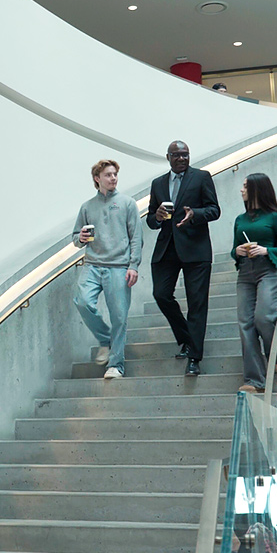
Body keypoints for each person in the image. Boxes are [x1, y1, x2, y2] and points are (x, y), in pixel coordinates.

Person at [146, 141, 220, 376]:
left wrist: (195, 214)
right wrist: (157, 217)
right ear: (168, 157)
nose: (182, 159)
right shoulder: (158, 183)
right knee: (160, 294)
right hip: (167, 249)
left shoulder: (201, 177)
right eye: (177, 155)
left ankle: (194, 357)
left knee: (197, 303)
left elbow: (214, 210)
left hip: (195, 249)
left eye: (185, 155)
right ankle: (186, 338)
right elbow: (150, 220)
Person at [72, 159, 142, 379]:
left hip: (119, 267)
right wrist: (80, 238)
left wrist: (134, 266)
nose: (113, 178)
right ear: (97, 179)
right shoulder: (86, 207)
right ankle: (106, 339)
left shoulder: (128, 203)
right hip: (92, 264)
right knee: (82, 302)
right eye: (108, 175)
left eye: (115, 174)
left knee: (119, 317)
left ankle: (116, 365)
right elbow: (75, 238)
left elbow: (136, 238)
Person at [231, 173, 277, 393]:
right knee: (245, 324)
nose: (242, 190)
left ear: (257, 189)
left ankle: (275, 354)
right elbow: (234, 248)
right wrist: (236, 251)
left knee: (264, 318)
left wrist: (266, 250)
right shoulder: (240, 219)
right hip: (246, 272)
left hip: (268, 270)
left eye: (246, 186)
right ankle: (254, 380)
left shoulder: (274, 217)